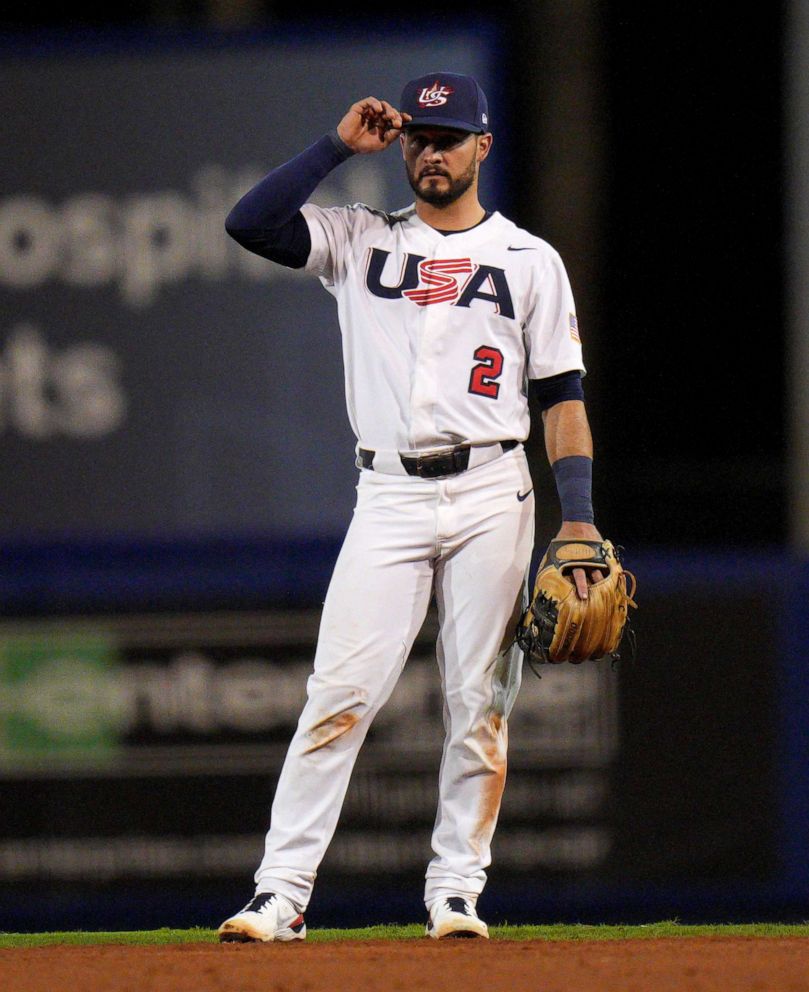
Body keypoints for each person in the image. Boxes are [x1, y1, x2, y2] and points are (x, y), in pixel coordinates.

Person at [218, 72, 601, 942]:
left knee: (479, 699)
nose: (432, 152)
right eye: (419, 138)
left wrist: (576, 514)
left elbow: (563, 397)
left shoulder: (528, 260)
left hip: (491, 492)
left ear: (483, 146)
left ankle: (455, 890)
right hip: (386, 492)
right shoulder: (357, 239)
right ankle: (280, 894)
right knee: (339, 694)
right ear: (400, 147)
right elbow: (249, 223)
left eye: (449, 136)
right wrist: (333, 147)